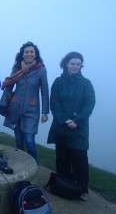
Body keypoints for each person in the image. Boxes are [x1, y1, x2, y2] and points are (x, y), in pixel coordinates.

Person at [47, 52, 95, 201]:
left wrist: (77, 121)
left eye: (78, 64)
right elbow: (54, 103)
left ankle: (82, 189)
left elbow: (89, 104)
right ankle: (64, 185)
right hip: (61, 127)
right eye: (72, 63)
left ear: (81, 66)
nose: (75, 66)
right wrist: (65, 120)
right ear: (66, 64)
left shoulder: (86, 83)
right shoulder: (58, 82)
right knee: (62, 159)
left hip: (79, 130)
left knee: (80, 159)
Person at [0, 41, 49, 162]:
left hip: (31, 111)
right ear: (22, 54)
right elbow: (9, 86)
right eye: (26, 52)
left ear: (35, 54)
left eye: (31, 52)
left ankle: (34, 166)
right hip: (15, 109)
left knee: (29, 141)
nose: (29, 54)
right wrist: (3, 104)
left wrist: (45, 112)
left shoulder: (41, 70)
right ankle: (21, 167)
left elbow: (45, 92)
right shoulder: (17, 68)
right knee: (19, 142)